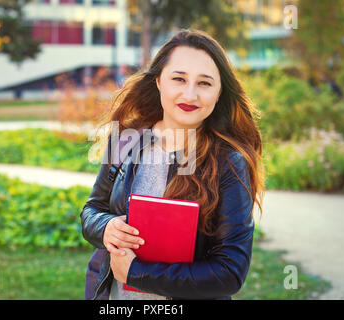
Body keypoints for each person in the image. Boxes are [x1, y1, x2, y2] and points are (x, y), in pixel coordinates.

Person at [81, 28, 265, 300]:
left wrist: (137, 273)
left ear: (219, 92)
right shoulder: (124, 141)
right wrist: (106, 226)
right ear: (158, 82)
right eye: (179, 79)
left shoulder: (228, 161)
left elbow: (230, 272)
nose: (190, 95)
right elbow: (92, 209)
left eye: (204, 83)